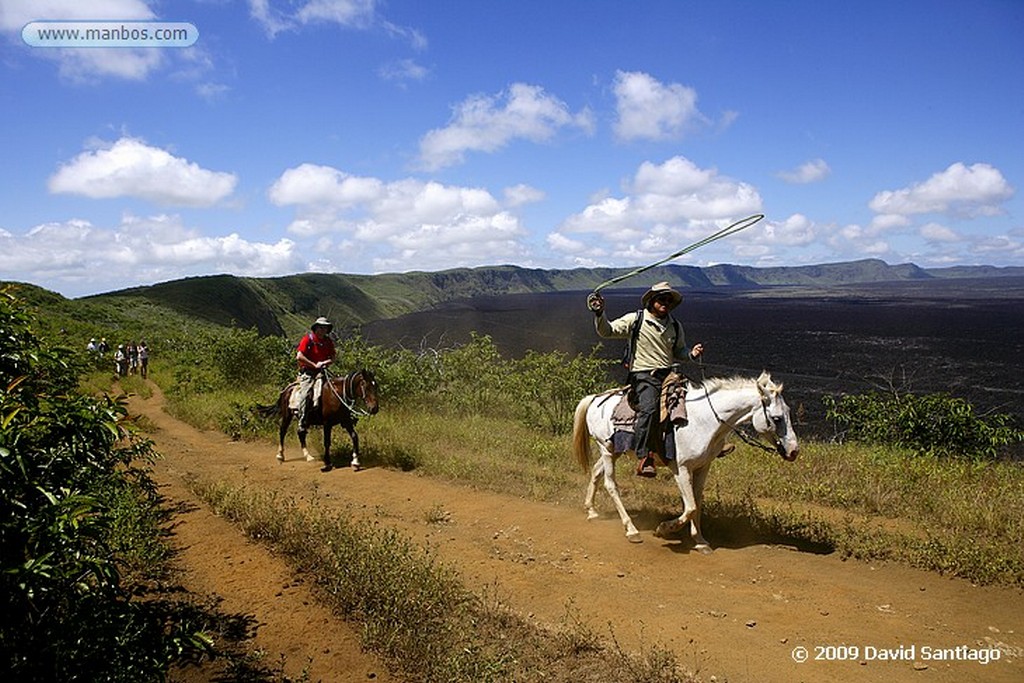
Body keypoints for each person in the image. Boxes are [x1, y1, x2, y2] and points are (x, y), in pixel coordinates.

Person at [589, 282, 704, 477]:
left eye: (668, 300)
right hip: (643, 376)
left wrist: (691, 353)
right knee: (650, 409)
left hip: (669, 375)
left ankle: (705, 447)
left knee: (696, 402)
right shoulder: (636, 319)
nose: (665, 303)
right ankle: (644, 456)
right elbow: (607, 331)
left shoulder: (675, 326)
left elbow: (679, 351)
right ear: (651, 300)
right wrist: (600, 313)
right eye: (661, 299)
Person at [295, 317, 337, 433]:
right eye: (321, 328)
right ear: (316, 328)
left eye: (325, 328)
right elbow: (299, 356)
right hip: (308, 372)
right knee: (306, 393)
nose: (323, 330)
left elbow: (333, 357)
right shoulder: (307, 340)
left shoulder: (328, 342)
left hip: (322, 372)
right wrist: (314, 365)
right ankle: (302, 421)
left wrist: (324, 363)